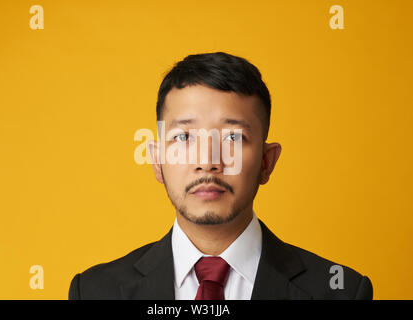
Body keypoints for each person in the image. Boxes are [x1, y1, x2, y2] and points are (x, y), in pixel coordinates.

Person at [68, 52, 373, 300]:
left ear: (267, 161)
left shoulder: (340, 292)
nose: (208, 162)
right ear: (158, 159)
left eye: (232, 138)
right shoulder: (95, 292)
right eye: (184, 138)